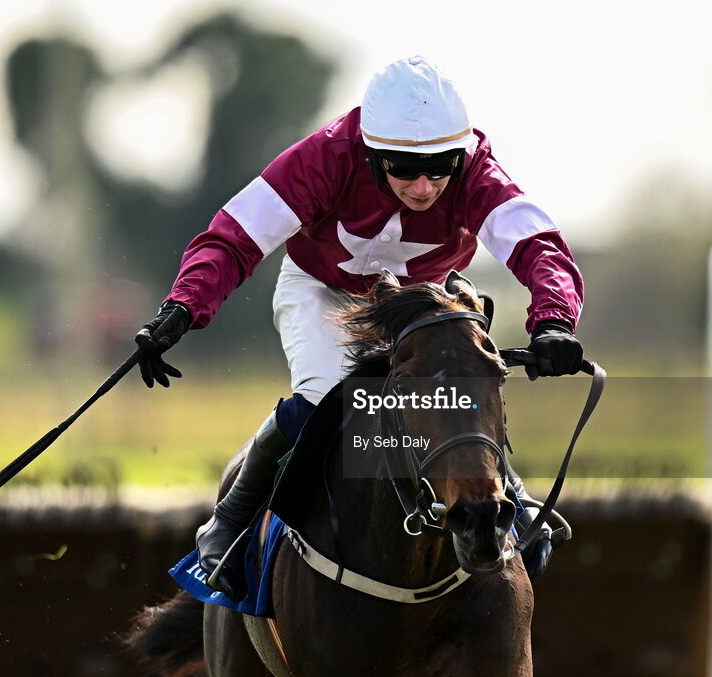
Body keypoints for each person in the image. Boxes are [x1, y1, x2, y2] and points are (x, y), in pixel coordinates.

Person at [135, 56, 584, 598]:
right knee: (330, 396)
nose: (423, 187)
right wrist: (182, 308)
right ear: (370, 154)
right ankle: (229, 521)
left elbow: (537, 245)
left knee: (464, 386)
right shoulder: (325, 157)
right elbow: (234, 237)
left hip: (420, 298)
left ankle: (507, 500)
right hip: (321, 287)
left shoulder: (478, 173)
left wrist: (554, 321)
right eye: (403, 168)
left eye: (440, 167)